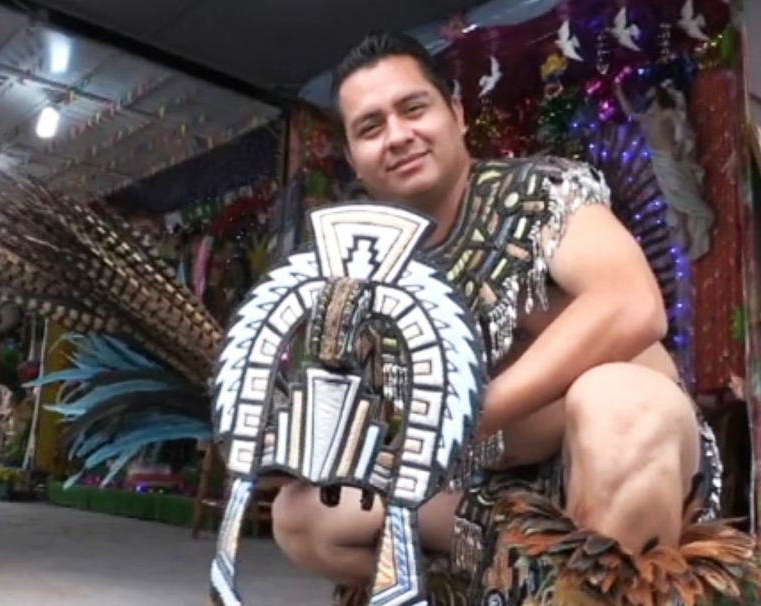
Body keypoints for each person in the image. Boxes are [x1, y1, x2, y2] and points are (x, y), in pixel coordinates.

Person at [266, 32, 751, 604]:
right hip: (479, 499)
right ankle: (469, 589)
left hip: (597, 468)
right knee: (301, 514)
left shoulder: (538, 193)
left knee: (622, 401)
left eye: (413, 108)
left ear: (456, 113)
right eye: (371, 128)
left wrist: (471, 413)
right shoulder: (366, 273)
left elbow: (633, 305)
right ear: (354, 158)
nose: (397, 136)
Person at [615, 77, 714, 260]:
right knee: (672, 199)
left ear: (659, 99)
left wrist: (679, 144)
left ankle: (698, 217)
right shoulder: (648, 117)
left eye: (652, 99)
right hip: (659, 161)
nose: (649, 103)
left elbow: (680, 128)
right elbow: (630, 113)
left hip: (670, 159)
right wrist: (619, 93)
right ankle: (685, 233)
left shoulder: (668, 113)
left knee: (680, 191)